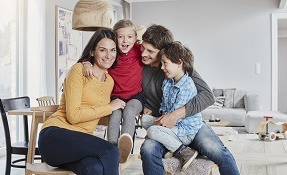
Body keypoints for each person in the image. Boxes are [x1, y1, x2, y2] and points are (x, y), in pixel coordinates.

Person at [140, 24, 240, 175]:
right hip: (160, 122)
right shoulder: (138, 63)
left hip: (188, 123)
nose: (143, 54)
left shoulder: (178, 67)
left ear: (163, 53)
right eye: (143, 48)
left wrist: (175, 115)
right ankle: (181, 150)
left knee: (214, 149)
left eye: (150, 51)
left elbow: (207, 96)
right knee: (148, 150)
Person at [38, 28, 125, 175]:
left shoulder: (109, 81)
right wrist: (109, 107)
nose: (108, 55)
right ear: (92, 52)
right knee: (110, 150)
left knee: (94, 168)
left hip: (80, 144)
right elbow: (73, 116)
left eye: (113, 50)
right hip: (54, 137)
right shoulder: (78, 70)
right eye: (103, 50)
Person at [82, 19, 145, 163]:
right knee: (115, 116)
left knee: (129, 111)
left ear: (136, 38)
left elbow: (153, 54)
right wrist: (86, 64)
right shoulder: (111, 53)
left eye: (129, 36)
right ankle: (112, 148)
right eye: (120, 36)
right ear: (114, 38)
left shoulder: (138, 50)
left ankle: (125, 145)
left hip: (136, 96)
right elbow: (89, 55)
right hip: (116, 97)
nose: (125, 41)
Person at [145, 41, 202, 171]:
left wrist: (157, 126)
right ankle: (171, 145)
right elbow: (165, 108)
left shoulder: (186, 87)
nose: (162, 67)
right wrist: (157, 120)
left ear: (179, 63)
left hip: (185, 130)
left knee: (152, 131)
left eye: (165, 63)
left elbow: (174, 118)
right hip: (172, 125)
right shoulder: (168, 81)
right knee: (145, 120)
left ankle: (185, 151)